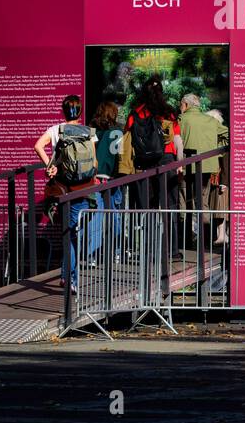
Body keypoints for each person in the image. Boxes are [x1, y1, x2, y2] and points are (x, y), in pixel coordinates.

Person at [34, 94, 103, 293]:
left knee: (70, 234)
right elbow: (95, 162)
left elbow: (38, 146)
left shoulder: (56, 130)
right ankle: (70, 277)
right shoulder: (89, 132)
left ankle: (68, 277)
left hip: (64, 189)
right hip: (85, 188)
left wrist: (50, 166)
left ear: (63, 111)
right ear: (80, 111)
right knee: (73, 234)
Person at [125, 77, 184, 257]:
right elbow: (178, 140)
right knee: (169, 205)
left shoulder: (135, 113)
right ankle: (172, 249)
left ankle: (150, 250)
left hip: (144, 163)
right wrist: (179, 164)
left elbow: (128, 139)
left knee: (148, 206)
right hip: (167, 160)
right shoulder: (168, 112)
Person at [178, 93, 228, 243]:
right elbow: (228, 134)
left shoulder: (181, 120)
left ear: (186, 105)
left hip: (185, 168)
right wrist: (215, 151)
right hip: (206, 168)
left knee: (183, 203)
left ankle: (183, 239)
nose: (180, 108)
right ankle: (206, 239)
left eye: (181, 105)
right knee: (203, 203)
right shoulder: (211, 121)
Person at [90, 101, 126, 259]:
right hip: (112, 179)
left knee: (95, 218)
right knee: (114, 215)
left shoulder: (91, 130)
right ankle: (117, 251)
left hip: (95, 179)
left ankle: (93, 254)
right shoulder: (116, 132)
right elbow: (119, 156)